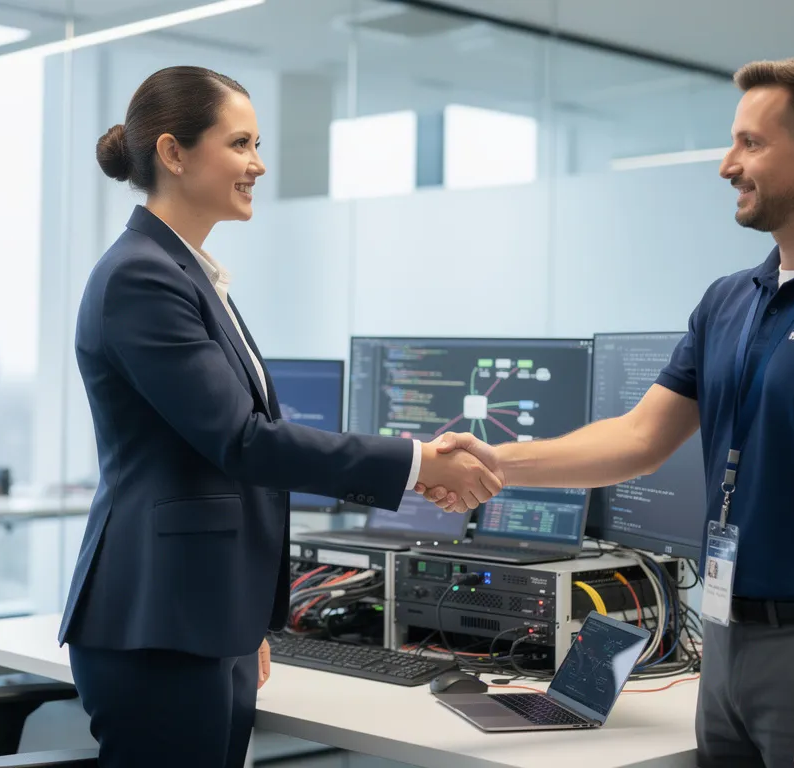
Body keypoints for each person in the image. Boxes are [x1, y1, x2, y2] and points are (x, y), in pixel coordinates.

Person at [421, 58, 794, 768]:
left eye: (751, 143)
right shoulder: (729, 300)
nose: (726, 165)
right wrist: (495, 461)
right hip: (726, 640)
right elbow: (639, 439)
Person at [59, 65, 502, 767]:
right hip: (159, 624)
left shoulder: (186, 273)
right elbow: (241, 442)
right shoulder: (142, 277)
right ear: (174, 154)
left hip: (198, 615)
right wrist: (417, 465)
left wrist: (242, 617)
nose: (258, 164)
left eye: (256, 144)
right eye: (239, 144)